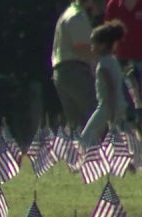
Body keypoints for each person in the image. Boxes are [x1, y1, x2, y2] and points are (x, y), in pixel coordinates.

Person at [51, 0, 98, 130]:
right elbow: (82, 48)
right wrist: (103, 60)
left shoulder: (67, 14)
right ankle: (93, 147)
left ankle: (80, 148)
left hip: (62, 71)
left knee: (76, 123)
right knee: (93, 115)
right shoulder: (76, 16)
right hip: (75, 70)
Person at [80, 21, 128, 146]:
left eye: (93, 44)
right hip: (117, 104)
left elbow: (110, 86)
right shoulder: (112, 60)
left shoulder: (104, 64)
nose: (91, 47)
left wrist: (111, 110)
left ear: (102, 45)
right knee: (117, 137)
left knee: (87, 136)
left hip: (107, 106)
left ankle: (87, 159)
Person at [105, 0, 142, 123]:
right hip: (121, 59)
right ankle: (132, 131)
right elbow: (108, 33)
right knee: (125, 100)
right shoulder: (114, 5)